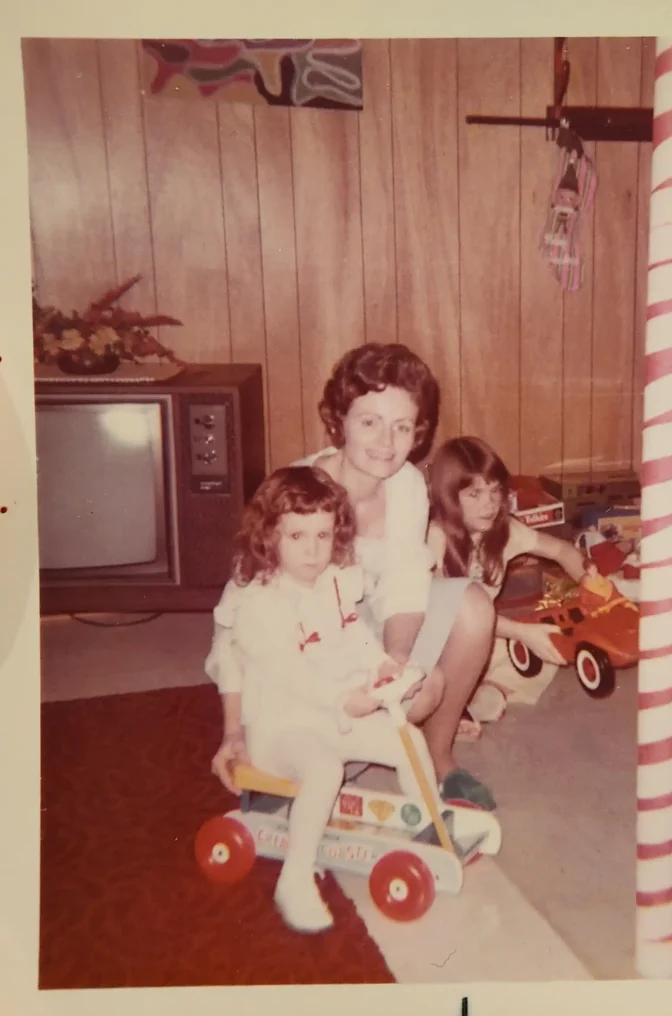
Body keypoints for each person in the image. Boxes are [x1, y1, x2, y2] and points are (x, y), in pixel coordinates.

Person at [206, 343, 497, 811]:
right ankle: (311, 756)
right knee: (411, 693)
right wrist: (233, 731)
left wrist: (396, 658)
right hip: (312, 647)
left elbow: (405, 583)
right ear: (340, 421)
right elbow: (234, 627)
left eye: (402, 427)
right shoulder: (295, 497)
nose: (387, 443)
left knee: (472, 611)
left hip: (370, 632)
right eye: (370, 422)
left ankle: (440, 758)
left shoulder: (406, 486)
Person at [211, 464, 433, 933]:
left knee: (406, 739)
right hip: (281, 726)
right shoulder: (261, 604)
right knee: (324, 768)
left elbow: (354, 635)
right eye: (297, 537)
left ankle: (430, 823)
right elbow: (291, 675)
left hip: (331, 715)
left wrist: (381, 666)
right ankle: (294, 879)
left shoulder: (335, 580)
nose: (313, 551)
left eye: (323, 535)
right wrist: (344, 699)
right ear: (270, 536)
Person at [426, 436, 597, 668]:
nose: (489, 504)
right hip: (432, 638)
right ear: (449, 497)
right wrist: (520, 632)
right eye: (474, 494)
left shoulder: (505, 530)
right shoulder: (435, 536)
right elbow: (444, 612)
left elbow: (561, 550)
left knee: (543, 657)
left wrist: (591, 584)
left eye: (495, 490)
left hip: (476, 632)